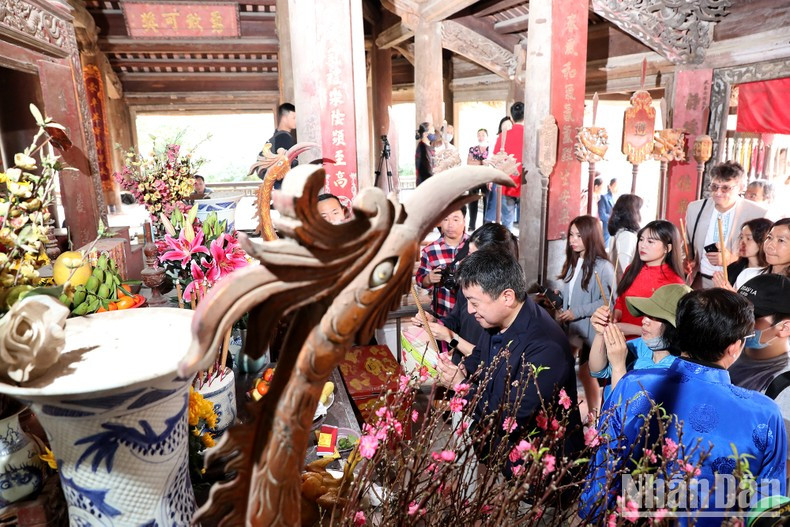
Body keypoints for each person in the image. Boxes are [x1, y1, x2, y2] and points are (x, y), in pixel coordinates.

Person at [579, 288, 787, 526]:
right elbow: (767, 507)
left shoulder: (634, 384)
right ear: (734, 347)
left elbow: (605, 469)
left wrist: (594, 514)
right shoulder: (764, 413)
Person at [435, 250, 583, 456]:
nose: (469, 310)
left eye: (474, 302)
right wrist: (462, 368)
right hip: (501, 452)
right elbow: (483, 356)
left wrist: (461, 386)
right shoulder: (500, 319)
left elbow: (510, 417)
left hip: (541, 464)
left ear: (507, 296)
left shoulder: (546, 346)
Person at [412, 223, 517, 363]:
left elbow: (489, 359)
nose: (467, 261)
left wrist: (451, 338)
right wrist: (435, 322)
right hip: (461, 367)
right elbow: (456, 319)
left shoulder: (503, 302)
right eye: (468, 254)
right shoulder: (469, 285)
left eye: (474, 256)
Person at [555, 215, 614, 420]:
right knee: (565, 369)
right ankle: (564, 412)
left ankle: (594, 417)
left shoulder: (603, 266)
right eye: (571, 234)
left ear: (590, 236)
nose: (572, 240)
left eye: (578, 236)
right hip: (570, 327)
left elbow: (607, 303)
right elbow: (570, 295)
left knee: (587, 373)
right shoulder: (573, 262)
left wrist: (576, 311)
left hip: (590, 329)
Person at [589, 283, 691, 400]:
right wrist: (600, 334)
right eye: (646, 314)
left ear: (674, 328)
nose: (644, 320)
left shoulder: (675, 368)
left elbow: (624, 410)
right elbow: (597, 370)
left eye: (655, 317)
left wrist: (618, 366)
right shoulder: (643, 345)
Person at [730, 274, 790, 468]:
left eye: (753, 317)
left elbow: (783, 462)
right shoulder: (728, 354)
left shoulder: (784, 384)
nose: (741, 322)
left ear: (785, 327)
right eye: (736, 312)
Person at [685, 161, 768, 289]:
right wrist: (686, 259)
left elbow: (763, 254)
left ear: (741, 187)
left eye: (725, 188)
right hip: (699, 280)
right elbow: (687, 243)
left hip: (734, 283)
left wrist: (733, 258)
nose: (718, 193)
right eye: (714, 187)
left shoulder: (757, 213)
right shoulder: (695, 208)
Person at [612, 220, 685, 335]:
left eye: (650, 241)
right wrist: (616, 314)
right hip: (620, 338)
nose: (643, 245)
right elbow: (621, 300)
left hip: (649, 346)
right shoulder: (631, 269)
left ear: (667, 248)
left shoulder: (675, 283)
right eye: (641, 239)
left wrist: (630, 329)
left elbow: (669, 329)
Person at [415, 208, 468, 318]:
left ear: (464, 220)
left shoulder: (476, 247)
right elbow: (420, 280)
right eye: (445, 219)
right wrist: (428, 279)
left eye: (455, 219)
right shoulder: (430, 250)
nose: (450, 225)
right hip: (443, 313)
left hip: (472, 315)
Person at [484, 103, 524, 231]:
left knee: (507, 223)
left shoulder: (503, 135)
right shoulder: (532, 134)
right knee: (526, 224)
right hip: (526, 183)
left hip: (506, 183)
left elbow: (496, 159)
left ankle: (509, 249)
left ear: (511, 118)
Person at [712, 218, 773, 291]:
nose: (741, 242)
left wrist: (731, 294)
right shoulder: (733, 268)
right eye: (741, 237)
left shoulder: (770, 275)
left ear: (763, 241)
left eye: (748, 238)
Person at [261, 103, 297, 188]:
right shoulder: (284, 137)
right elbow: (288, 164)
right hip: (285, 184)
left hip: (277, 184)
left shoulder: (276, 136)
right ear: (284, 118)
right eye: (294, 118)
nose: (296, 120)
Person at [606, 194, 643, 279]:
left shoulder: (619, 233)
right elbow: (624, 269)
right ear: (633, 212)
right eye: (639, 209)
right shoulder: (627, 236)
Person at [467, 128, 490, 230]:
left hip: (487, 178)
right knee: (472, 201)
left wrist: (477, 162)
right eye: (479, 135)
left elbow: (490, 163)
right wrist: (482, 163)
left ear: (487, 136)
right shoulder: (473, 148)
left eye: (483, 135)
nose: (481, 137)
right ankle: (471, 225)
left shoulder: (490, 149)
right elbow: (469, 163)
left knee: (487, 201)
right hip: (474, 178)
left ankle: (486, 225)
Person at [597, 178, 617, 243]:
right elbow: (602, 214)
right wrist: (613, 219)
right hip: (606, 229)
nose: (617, 188)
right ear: (610, 186)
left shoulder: (620, 199)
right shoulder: (604, 197)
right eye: (615, 185)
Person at [415, 122, 435, 186]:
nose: (434, 134)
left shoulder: (430, 147)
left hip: (431, 183)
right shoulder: (422, 148)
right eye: (432, 131)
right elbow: (426, 170)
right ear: (425, 134)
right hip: (424, 185)